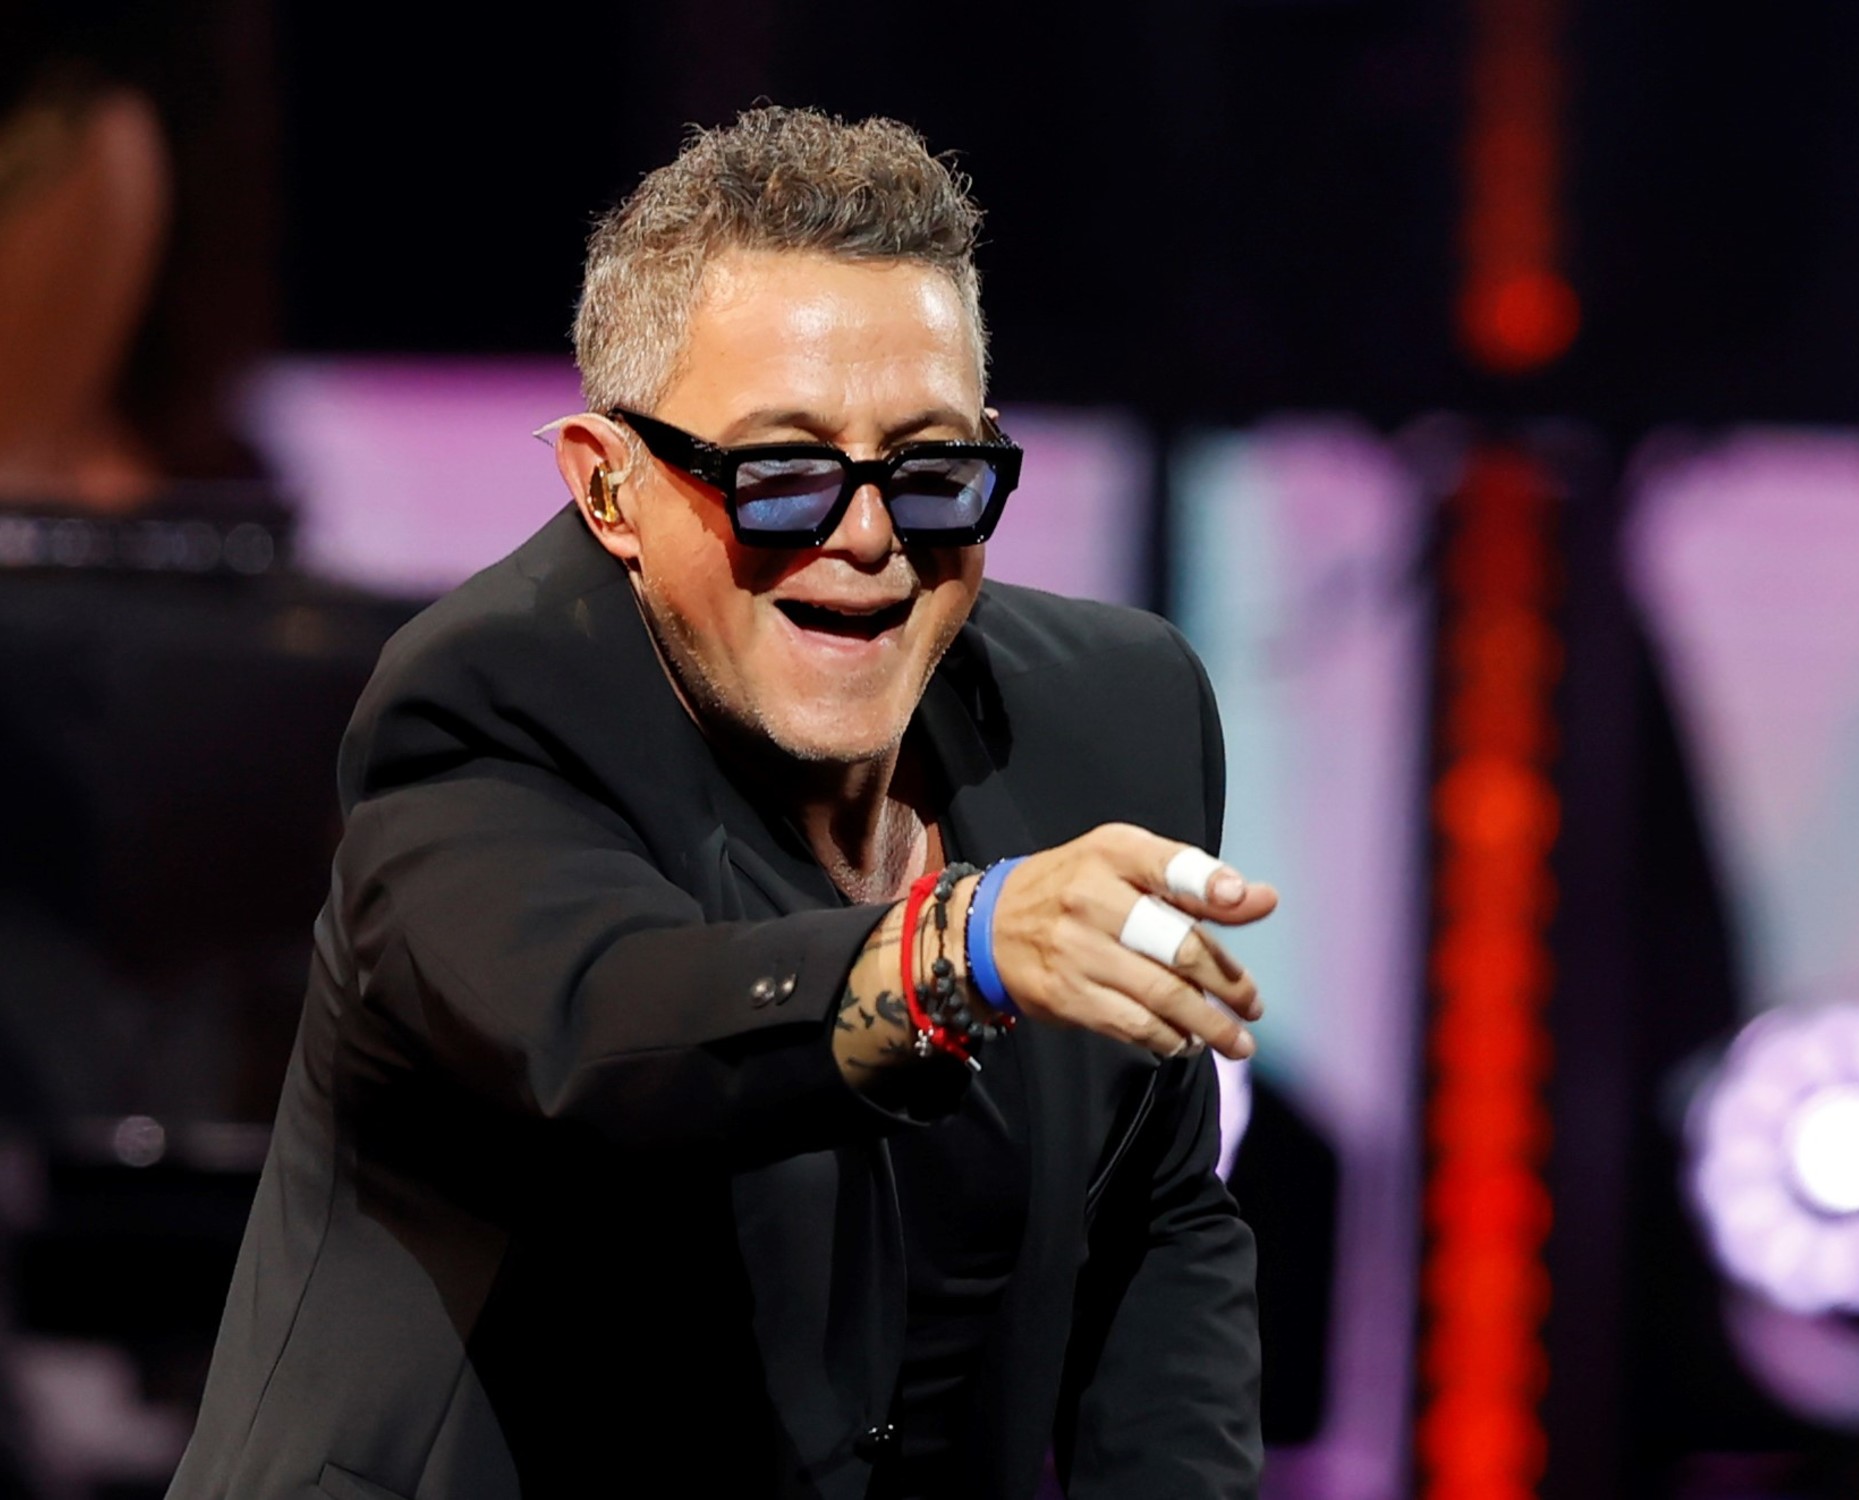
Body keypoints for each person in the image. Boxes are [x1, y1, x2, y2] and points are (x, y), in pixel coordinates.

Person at [169, 106, 1274, 1500]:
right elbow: (607, 1031)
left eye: (931, 472)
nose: (868, 537)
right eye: (783, 474)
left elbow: (1161, 1225)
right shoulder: (485, 708)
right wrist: (958, 949)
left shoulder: (1120, 720)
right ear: (608, 487)